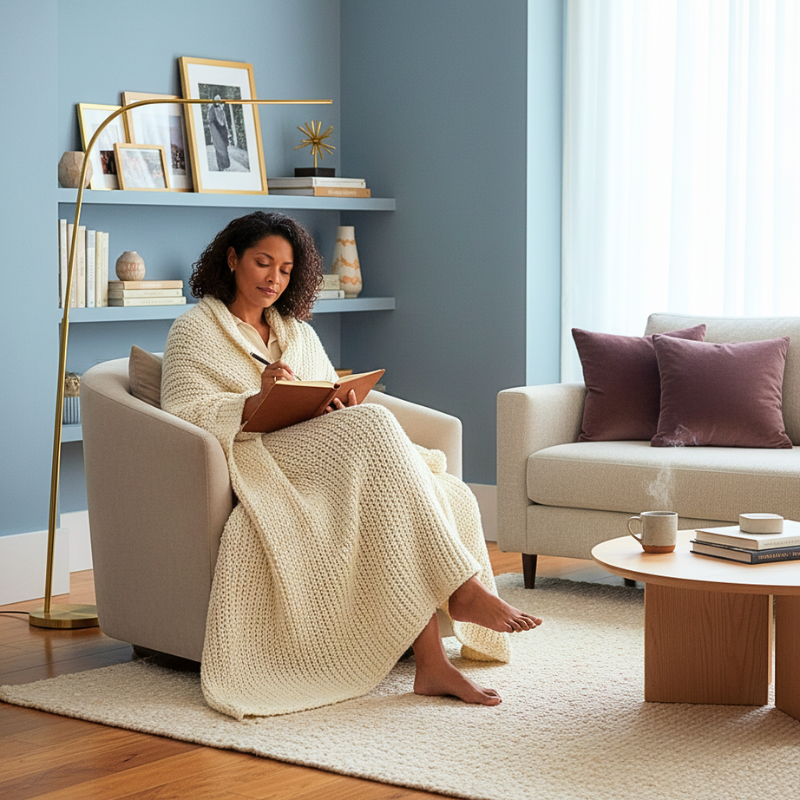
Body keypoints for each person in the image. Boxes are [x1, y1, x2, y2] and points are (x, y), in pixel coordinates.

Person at [161, 211, 541, 720]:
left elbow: (319, 394)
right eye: (262, 263)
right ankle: (462, 587)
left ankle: (432, 664)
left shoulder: (295, 331)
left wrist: (332, 406)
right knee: (375, 425)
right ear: (232, 260)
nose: (274, 278)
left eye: (286, 269)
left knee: (383, 443)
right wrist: (255, 400)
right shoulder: (194, 330)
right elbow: (186, 413)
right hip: (259, 455)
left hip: (320, 449)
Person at [208, 95, 230, 171]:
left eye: (219, 100)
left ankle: (225, 164)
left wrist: (227, 131)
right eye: (216, 100)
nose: (218, 101)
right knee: (219, 148)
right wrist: (214, 133)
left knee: (224, 147)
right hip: (217, 131)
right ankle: (221, 166)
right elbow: (211, 122)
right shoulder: (212, 109)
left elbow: (224, 121)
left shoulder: (221, 108)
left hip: (223, 131)